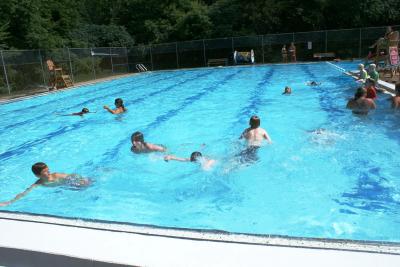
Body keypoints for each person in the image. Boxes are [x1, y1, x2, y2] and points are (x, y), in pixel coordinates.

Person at [0, 162, 90, 207]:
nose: (48, 171)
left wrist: (82, 179)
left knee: (84, 186)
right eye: (45, 171)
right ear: (37, 175)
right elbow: (24, 193)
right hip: (65, 187)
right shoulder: (39, 183)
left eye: (48, 169)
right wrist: (10, 202)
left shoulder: (56, 175)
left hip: (71, 182)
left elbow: (73, 175)